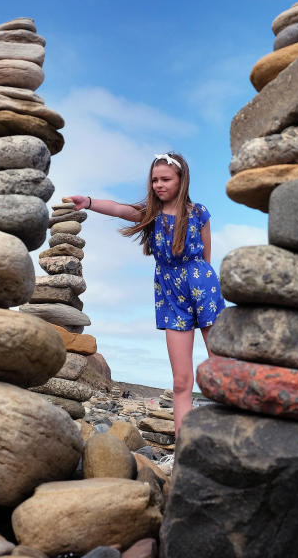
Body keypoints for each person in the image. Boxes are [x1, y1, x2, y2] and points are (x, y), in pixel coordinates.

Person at [68, 152, 225, 435]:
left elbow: (206, 259)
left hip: (202, 285)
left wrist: (204, 289)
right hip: (168, 293)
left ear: (181, 180)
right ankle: (184, 445)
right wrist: (88, 203)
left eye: (165, 179)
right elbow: (117, 208)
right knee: (181, 380)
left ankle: (234, 431)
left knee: (223, 365)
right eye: (154, 180)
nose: (158, 185)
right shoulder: (149, 214)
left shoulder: (199, 213)